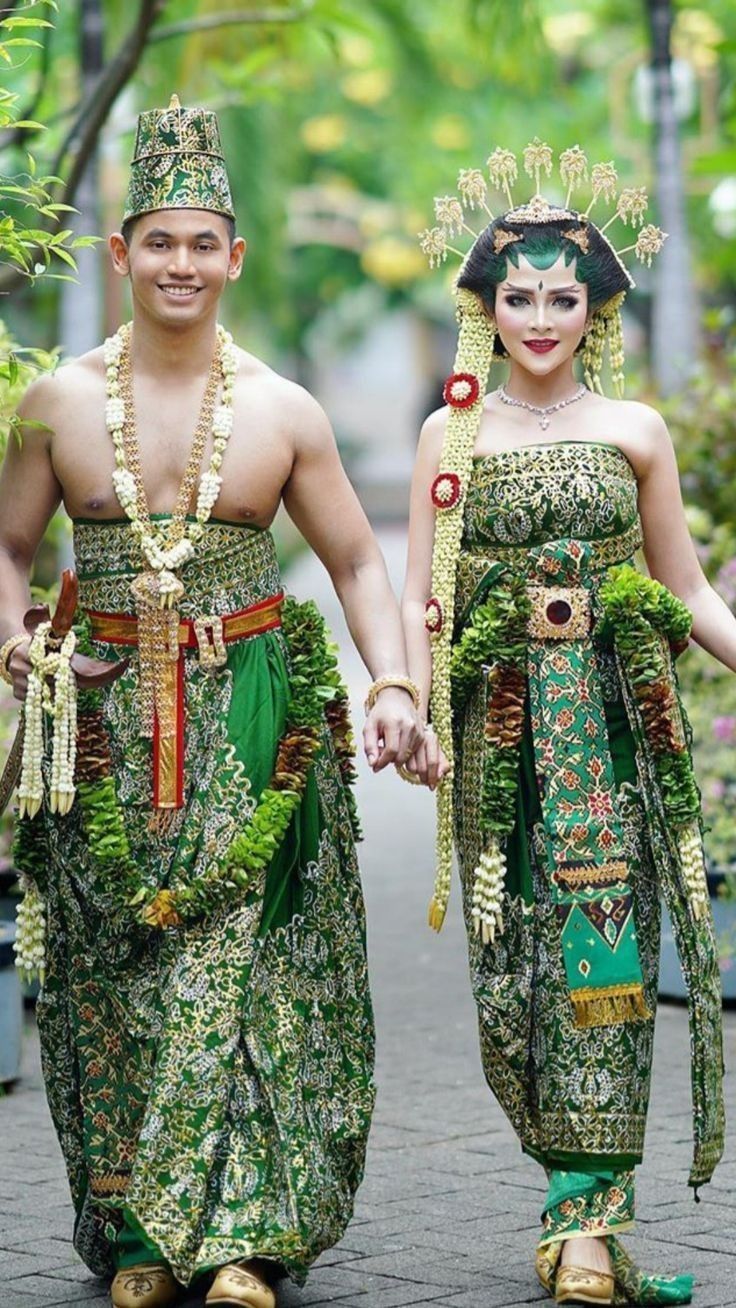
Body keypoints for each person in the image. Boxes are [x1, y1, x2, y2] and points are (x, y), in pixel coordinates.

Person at [0, 96, 423, 1308]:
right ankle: (140, 1237)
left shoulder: (285, 409)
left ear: (234, 258)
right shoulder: (59, 405)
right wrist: (23, 650)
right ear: (123, 250)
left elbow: (353, 560)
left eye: (202, 244)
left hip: (252, 711)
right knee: (111, 971)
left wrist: (390, 682)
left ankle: (244, 1233)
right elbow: (8, 547)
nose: (179, 265)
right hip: (99, 716)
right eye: (157, 242)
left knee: (256, 976)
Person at [401, 141, 726, 1306]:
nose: (540, 317)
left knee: (604, 967)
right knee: (511, 983)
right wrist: (405, 699)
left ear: (594, 312)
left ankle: (585, 1222)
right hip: (496, 746)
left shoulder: (635, 430)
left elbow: (684, 592)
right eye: (519, 296)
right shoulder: (450, 437)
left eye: (563, 297)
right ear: (486, 306)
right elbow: (422, 599)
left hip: (613, 739)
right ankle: (561, 1189)